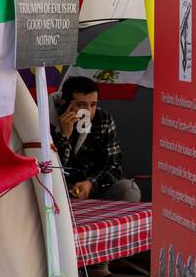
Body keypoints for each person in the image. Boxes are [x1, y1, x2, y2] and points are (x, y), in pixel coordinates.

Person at [52, 75, 141, 203]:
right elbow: (52, 168)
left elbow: (113, 166)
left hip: (92, 185)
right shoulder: (46, 121)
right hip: (58, 188)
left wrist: (90, 184)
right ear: (64, 104)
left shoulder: (102, 119)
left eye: (93, 105)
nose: (88, 111)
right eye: (81, 105)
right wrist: (64, 136)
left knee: (128, 189)